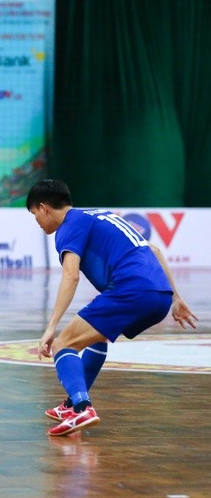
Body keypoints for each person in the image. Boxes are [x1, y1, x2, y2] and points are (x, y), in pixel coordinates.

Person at [27, 179, 198, 436]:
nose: (37, 222)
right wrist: (175, 297)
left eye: (35, 215)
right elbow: (154, 250)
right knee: (97, 337)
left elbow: (71, 276)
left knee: (63, 345)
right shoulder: (101, 214)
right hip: (159, 297)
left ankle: (82, 407)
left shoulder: (68, 226)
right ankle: (72, 403)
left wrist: (51, 326)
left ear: (44, 208)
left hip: (131, 290)